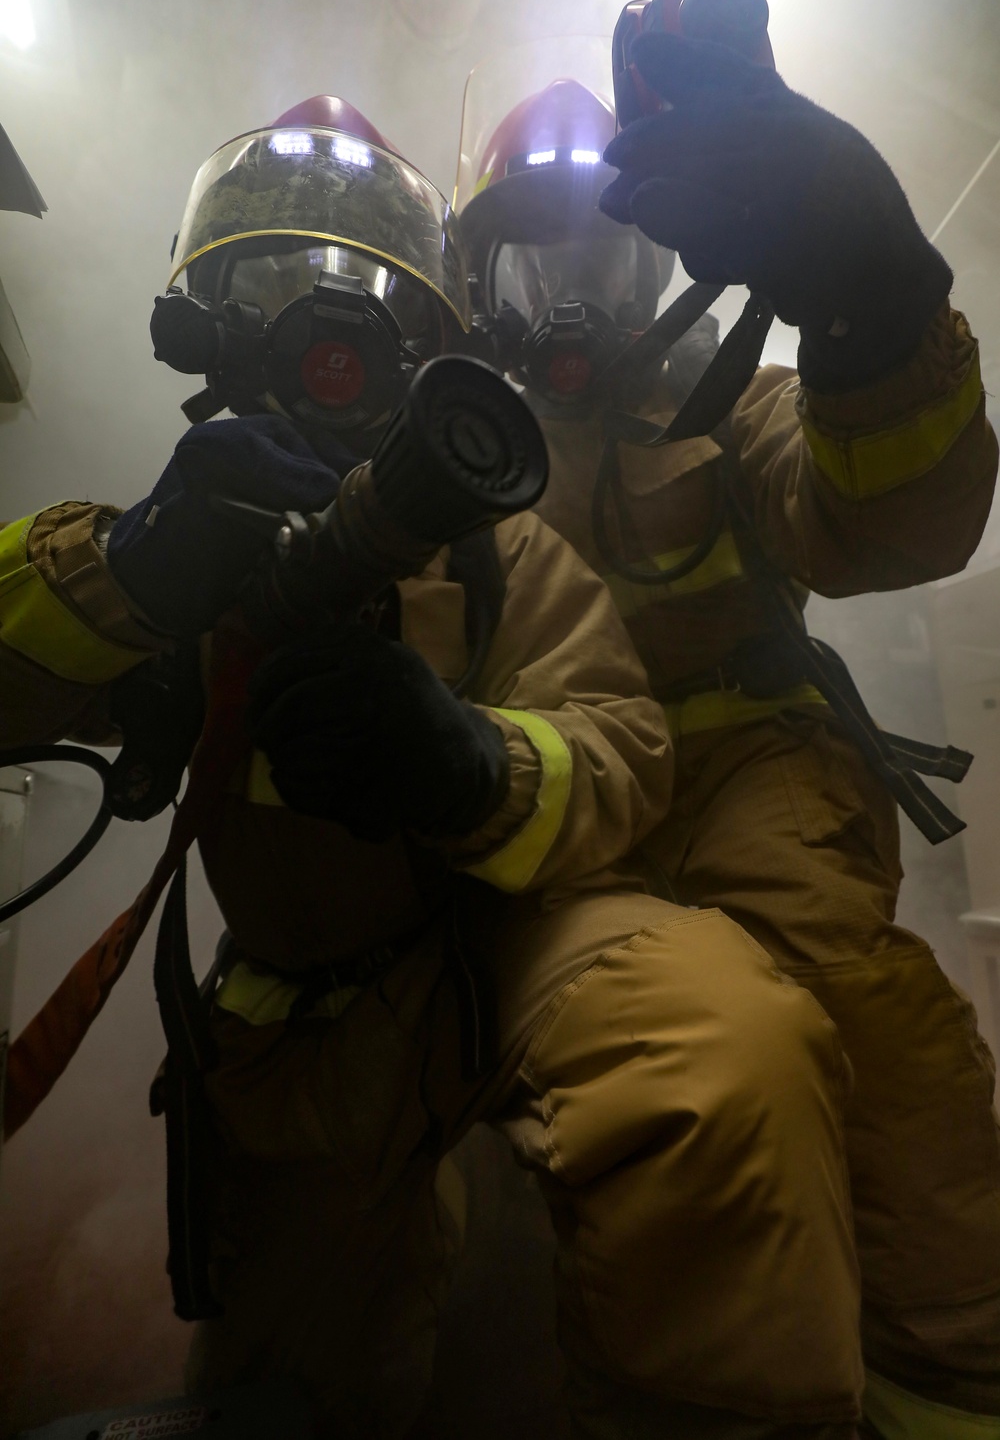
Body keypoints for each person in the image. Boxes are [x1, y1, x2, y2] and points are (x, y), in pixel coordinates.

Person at [0, 94, 871, 1440]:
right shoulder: (161, 551)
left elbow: (619, 739)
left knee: (720, 1049)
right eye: (279, 282)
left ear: (430, 340)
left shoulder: (494, 549)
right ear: (206, 319)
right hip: (301, 1033)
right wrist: (125, 577)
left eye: (366, 296)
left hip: (507, 962)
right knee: (297, 1391)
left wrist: (472, 764)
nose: (327, 336)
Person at [455, 0, 1000, 1440]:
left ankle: (950, 1395)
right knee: (720, 1060)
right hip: (572, 850)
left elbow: (898, 522)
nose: (569, 301)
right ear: (470, 282)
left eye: (607, 257)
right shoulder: (448, 460)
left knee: (893, 1047)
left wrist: (875, 314)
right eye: (529, 261)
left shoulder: (731, 404)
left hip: (764, 799)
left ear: (663, 258)